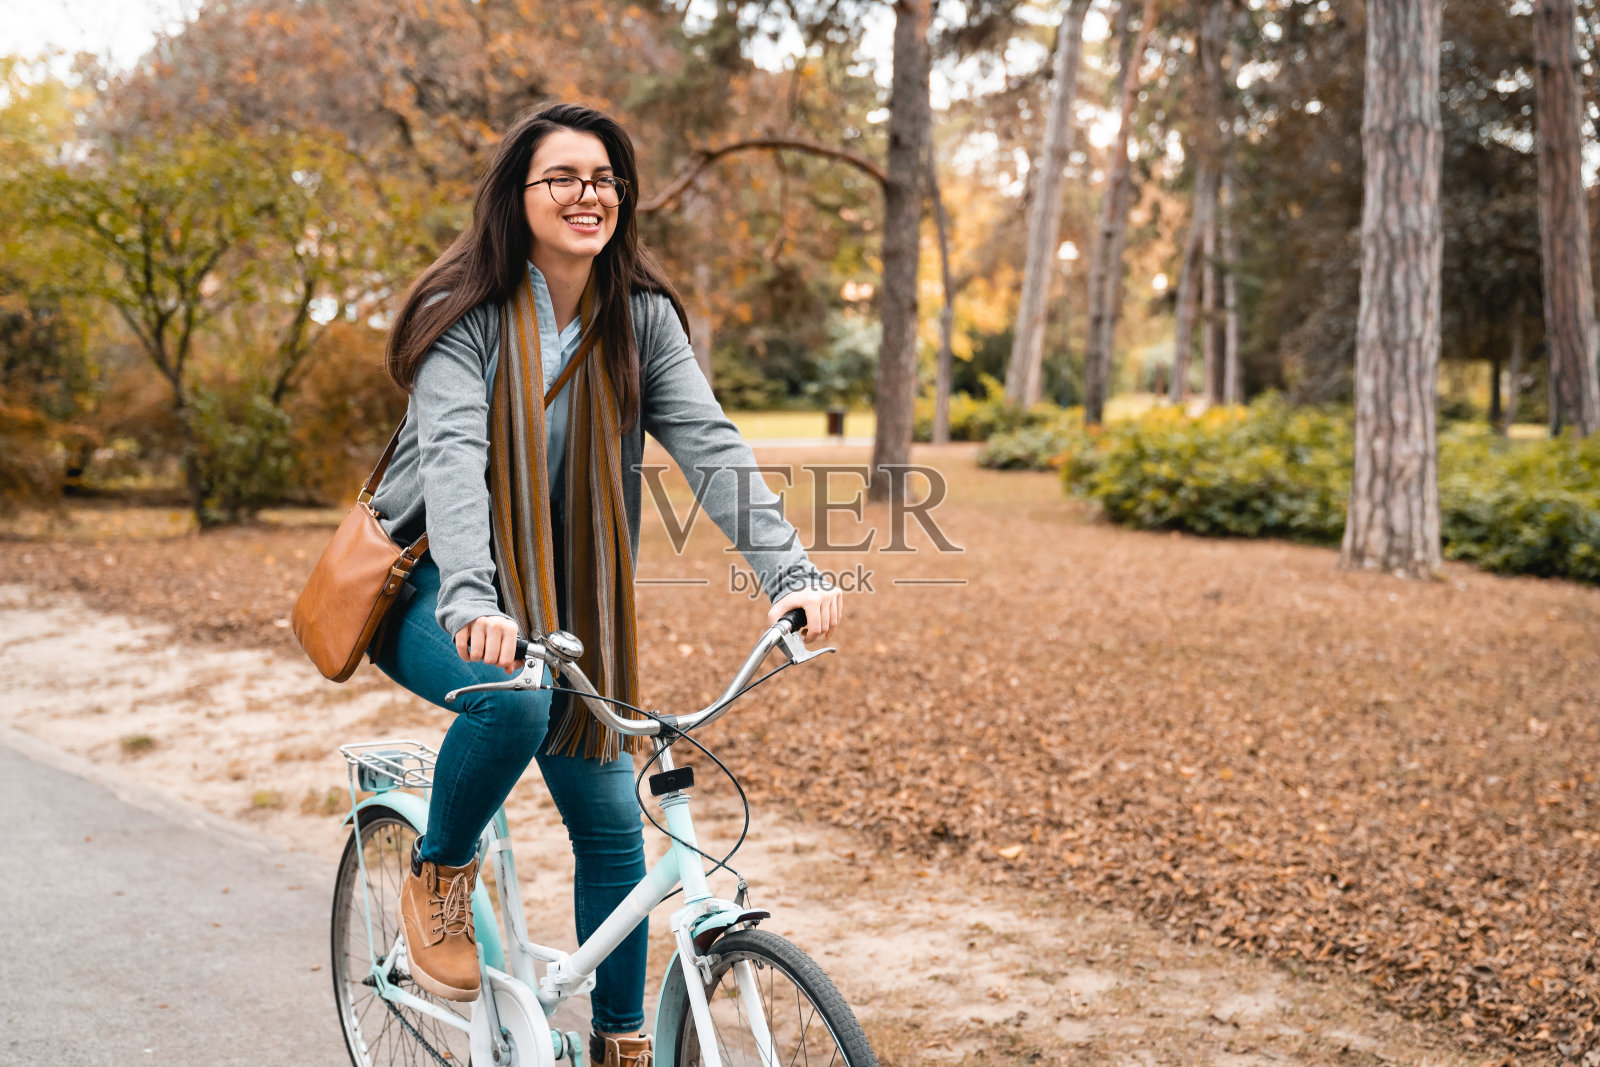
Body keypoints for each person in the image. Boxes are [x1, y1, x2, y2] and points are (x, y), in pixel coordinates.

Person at [365, 101, 842, 1067]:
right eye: (564, 177)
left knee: (617, 833)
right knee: (510, 701)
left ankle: (622, 1047)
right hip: (433, 587)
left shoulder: (640, 320)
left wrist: (789, 570)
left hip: (566, 607)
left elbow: (711, 448)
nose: (589, 195)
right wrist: (473, 601)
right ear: (518, 194)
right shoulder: (459, 312)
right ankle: (441, 871)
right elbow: (456, 463)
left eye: (605, 179)